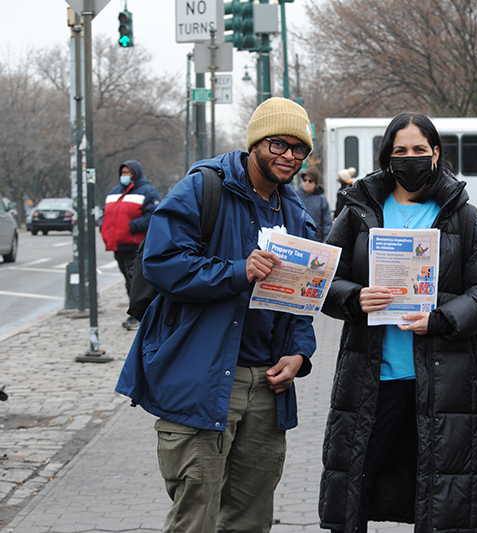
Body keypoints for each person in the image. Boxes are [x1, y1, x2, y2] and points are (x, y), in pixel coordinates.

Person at [115, 97, 318, 533]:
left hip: (267, 385)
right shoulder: (205, 188)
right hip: (202, 376)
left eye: (299, 149)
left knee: (250, 520)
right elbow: (161, 261)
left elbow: (302, 304)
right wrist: (237, 270)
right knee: (196, 517)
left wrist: (300, 353)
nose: (289, 157)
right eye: (279, 145)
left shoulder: (297, 214)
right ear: (256, 143)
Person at [318, 112, 477, 533]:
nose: (410, 159)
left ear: (436, 153)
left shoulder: (461, 215)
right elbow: (324, 278)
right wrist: (354, 297)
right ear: (387, 157)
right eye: (400, 151)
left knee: (443, 496)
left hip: (443, 381)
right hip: (373, 377)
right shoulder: (359, 211)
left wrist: (441, 318)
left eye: (419, 150)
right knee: (354, 488)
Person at [100, 160, 161, 331]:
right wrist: (102, 226)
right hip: (118, 245)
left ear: (135, 173)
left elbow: (153, 216)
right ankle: (135, 313)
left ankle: (137, 314)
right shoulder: (115, 192)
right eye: (123, 172)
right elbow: (106, 214)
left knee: (135, 282)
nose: (124, 175)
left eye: (128, 172)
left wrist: (130, 226)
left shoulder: (147, 191)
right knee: (128, 281)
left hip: (135, 246)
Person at [295, 166, 333, 242]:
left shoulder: (322, 199)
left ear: (315, 183)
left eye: (310, 181)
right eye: (304, 180)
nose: (307, 183)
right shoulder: (295, 196)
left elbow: (327, 223)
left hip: (315, 240)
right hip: (296, 239)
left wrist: (327, 240)